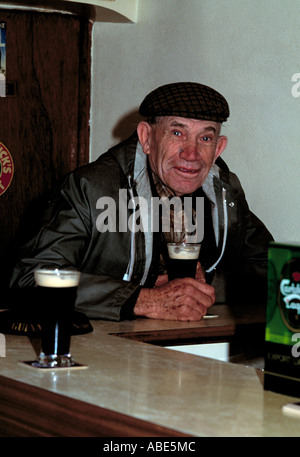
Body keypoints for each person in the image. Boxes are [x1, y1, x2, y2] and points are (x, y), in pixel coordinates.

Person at [9, 82, 273, 322]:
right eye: (177, 133)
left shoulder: (226, 194)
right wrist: (142, 299)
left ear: (218, 148)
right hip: (99, 352)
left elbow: (275, 270)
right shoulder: (91, 188)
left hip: (194, 345)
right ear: (146, 138)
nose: (191, 154)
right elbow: (30, 276)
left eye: (205, 138)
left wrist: (207, 285)